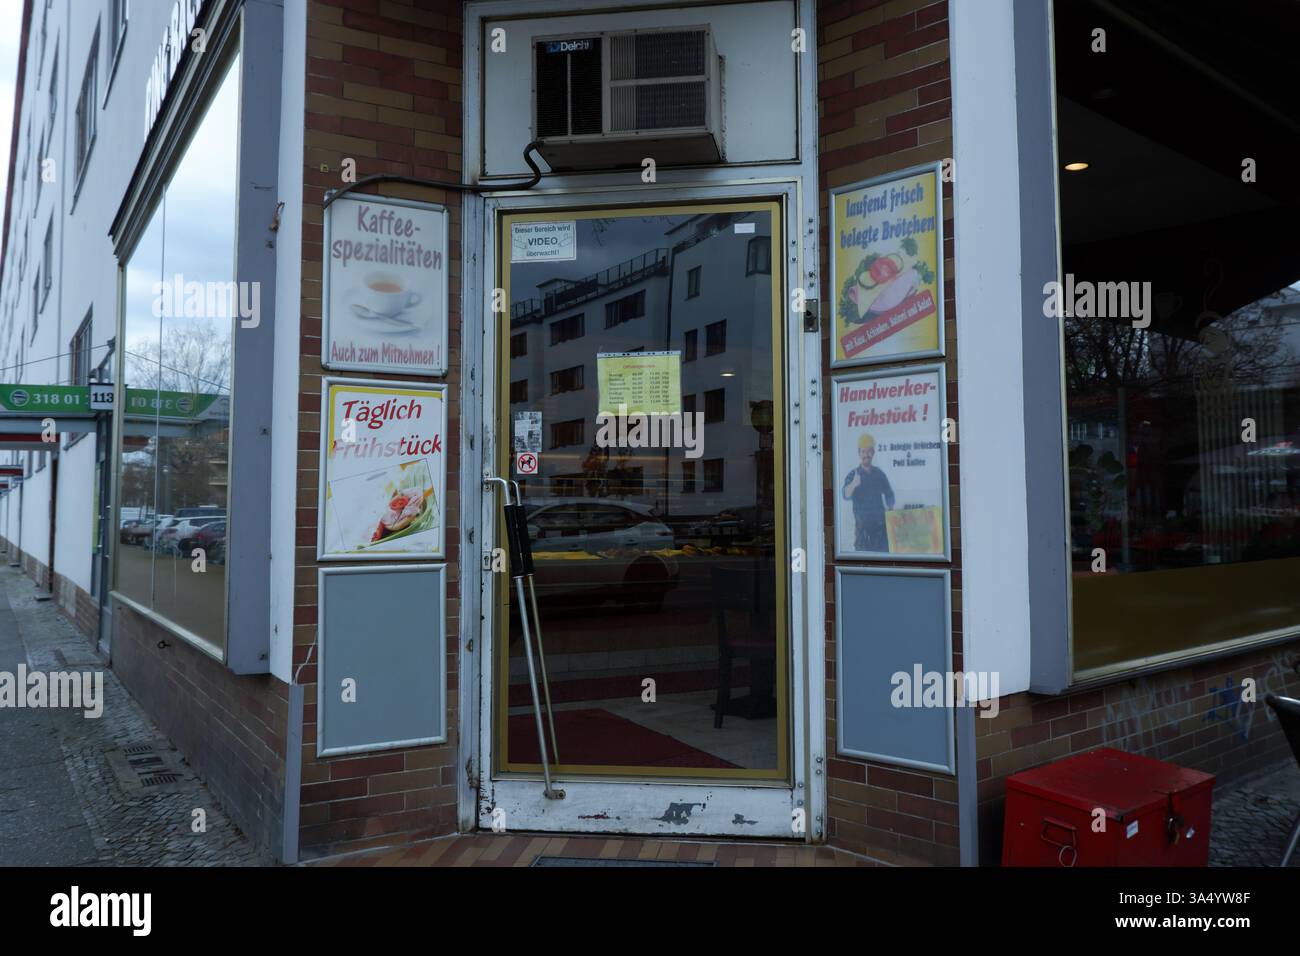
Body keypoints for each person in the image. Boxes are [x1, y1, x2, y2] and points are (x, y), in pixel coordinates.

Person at [843, 432, 895, 552]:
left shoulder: (879, 474)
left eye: (869, 451)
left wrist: (891, 510)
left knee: (884, 561)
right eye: (863, 451)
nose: (866, 455)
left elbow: (889, 493)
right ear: (859, 453)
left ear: (873, 452)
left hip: (881, 530)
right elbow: (845, 494)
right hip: (863, 532)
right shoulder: (853, 474)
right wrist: (854, 484)